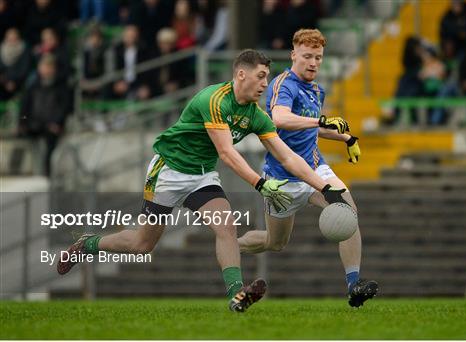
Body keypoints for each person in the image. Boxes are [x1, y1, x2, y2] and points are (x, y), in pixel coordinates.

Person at [56, 49, 349, 313]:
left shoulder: (257, 116)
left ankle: (236, 294)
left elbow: (287, 157)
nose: (264, 84)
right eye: (260, 77)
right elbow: (226, 152)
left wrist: (325, 188)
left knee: (227, 226)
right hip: (168, 172)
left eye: (267, 78)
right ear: (240, 74)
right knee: (141, 244)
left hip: (201, 176)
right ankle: (87, 244)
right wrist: (261, 184)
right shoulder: (214, 99)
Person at [237, 29, 378, 308]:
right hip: (283, 178)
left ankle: (354, 285)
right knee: (275, 242)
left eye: (318, 57)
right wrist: (321, 122)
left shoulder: (317, 89)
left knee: (348, 212)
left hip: (315, 169)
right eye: (307, 56)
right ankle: (230, 244)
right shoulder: (283, 84)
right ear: (293, 55)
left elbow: (312, 131)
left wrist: (346, 137)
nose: (313, 62)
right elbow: (281, 118)